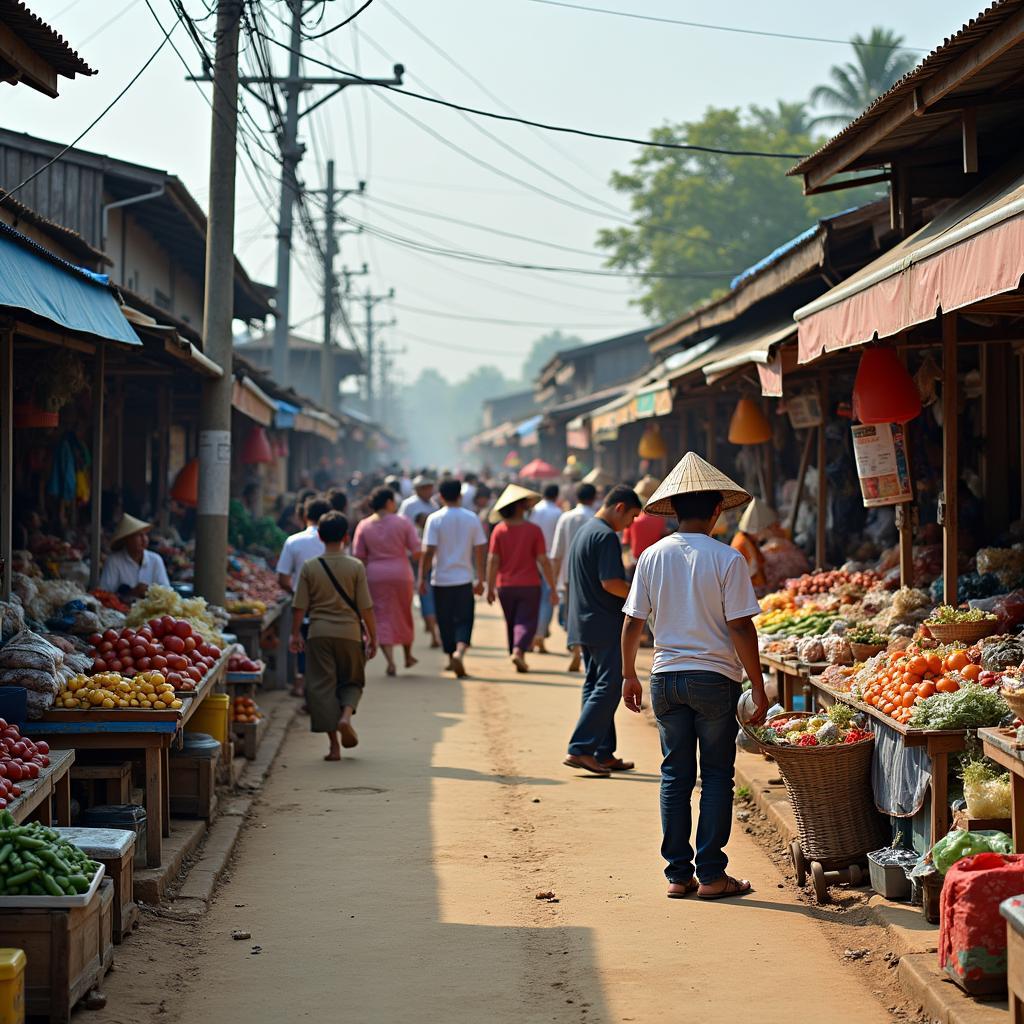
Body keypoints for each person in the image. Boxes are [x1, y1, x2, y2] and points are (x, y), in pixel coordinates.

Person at [621, 453, 769, 901]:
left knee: (675, 777)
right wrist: (759, 687)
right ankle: (711, 875)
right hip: (714, 679)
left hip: (665, 677)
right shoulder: (727, 559)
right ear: (716, 512)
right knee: (718, 776)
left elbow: (631, 622)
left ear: (675, 511)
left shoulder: (650, 556)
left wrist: (628, 673)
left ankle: (677, 874)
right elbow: (741, 626)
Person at [563, 485, 642, 777]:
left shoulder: (586, 531)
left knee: (596, 683)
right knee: (608, 686)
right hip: (602, 621)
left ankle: (602, 751)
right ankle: (582, 748)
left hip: (584, 620)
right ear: (619, 507)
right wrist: (640, 596)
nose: (631, 525)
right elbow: (611, 582)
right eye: (632, 517)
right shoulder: (606, 536)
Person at [290, 512, 378, 761]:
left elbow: (299, 607)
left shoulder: (310, 567)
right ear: (346, 537)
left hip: (318, 633)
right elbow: (366, 608)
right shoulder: (355, 567)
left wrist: (294, 635)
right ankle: (345, 717)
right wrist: (373, 636)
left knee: (322, 688)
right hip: (350, 633)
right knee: (352, 681)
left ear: (319, 536)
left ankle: (334, 747)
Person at [419, 478, 488, 678]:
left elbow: (428, 551)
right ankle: (460, 651)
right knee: (465, 619)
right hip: (464, 578)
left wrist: (421, 578)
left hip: (440, 579)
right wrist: (480, 578)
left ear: (440, 496)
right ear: (460, 495)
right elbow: (480, 550)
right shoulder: (471, 518)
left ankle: (451, 657)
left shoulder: (435, 519)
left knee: (445, 620)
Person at [486, 485, 558, 673]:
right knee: (526, 621)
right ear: (519, 506)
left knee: (512, 621)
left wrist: (490, 587)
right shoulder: (533, 530)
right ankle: (518, 651)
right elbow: (543, 560)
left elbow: (493, 560)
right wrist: (552, 586)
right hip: (529, 584)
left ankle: (518, 654)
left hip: (505, 586)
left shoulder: (499, 530)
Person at [352, 487, 421, 677]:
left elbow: (359, 556)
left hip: (375, 575)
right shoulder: (403, 522)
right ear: (389, 503)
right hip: (401, 573)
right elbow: (416, 550)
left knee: (379, 616)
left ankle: (390, 661)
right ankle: (408, 655)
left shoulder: (364, 525)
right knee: (403, 613)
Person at [276, 496, 332, 699]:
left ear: (305, 515)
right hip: (332, 604)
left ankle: (302, 682)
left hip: (304, 604)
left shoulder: (294, 541)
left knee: (301, 641)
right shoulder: (335, 541)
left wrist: (295, 594)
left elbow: (283, 578)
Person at [550, 482, 598, 672]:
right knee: (589, 613)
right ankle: (584, 650)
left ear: (575, 498)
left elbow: (557, 552)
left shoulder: (566, 518)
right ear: (594, 498)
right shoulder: (596, 518)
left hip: (569, 575)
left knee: (572, 614)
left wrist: (553, 581)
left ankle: (575, 648)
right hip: (592, 576)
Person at [400, 476, 441, 648]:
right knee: (424, 591)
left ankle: (432, 626)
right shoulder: (409, 505)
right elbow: (402, 528)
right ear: (417, 489)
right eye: (425, 488)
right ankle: (432, 631)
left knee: (431, 591)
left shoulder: (434, 505)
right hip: (416, 555)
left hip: (434, 554)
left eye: (430, 487)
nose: (428, 491)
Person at [529, 483, 563, 654]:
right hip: (550, 560)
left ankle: (531, 635)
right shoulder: (557, 513)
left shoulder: (534, 510)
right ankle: (540, 635)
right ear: (556, 495)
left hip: (533, 559)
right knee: (547, 599)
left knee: (533, 599)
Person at [99, 515, 170, 597]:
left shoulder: (155, 560)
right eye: (139, 535)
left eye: (145, 535)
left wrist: (150, 591)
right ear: (127, 539)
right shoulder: (113, 561)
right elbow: (104, 593)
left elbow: (166, 592)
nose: (144, 539)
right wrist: (131, 593)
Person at [730, 498, 777, 591]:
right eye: (764, 529)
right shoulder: (741, 543)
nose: (765, 533)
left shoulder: (748, 540)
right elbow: (741, 576)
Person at [622, 475, 668, 566]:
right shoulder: (663, 518)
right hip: (656, 562)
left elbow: (626, 543)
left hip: (635, 563)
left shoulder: (633, 518)